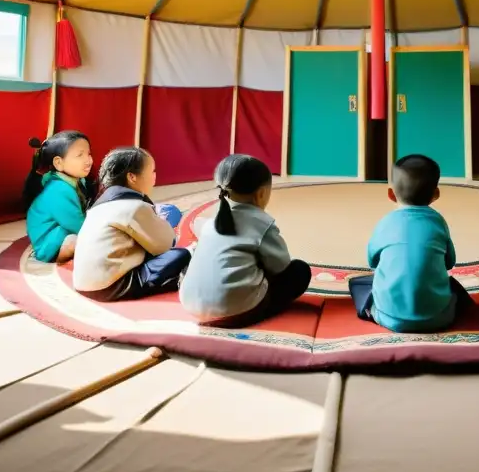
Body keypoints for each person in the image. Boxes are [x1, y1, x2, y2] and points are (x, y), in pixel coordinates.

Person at [179, 155, 311, 327]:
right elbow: (282, 266)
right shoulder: (262, 223)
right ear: (262, 193)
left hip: (191, 306)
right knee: (299, 271)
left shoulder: (210, 222)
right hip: (238, 310)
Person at [347, 154, 473, 333]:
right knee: (452, 287)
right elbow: (449, 262)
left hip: (389, 318)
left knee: (360, 285)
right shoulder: (438, 222)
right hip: (440, 318)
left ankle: (375, 310)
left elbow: (372, 261)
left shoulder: (385, 223)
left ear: (391, 194)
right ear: (436, 194)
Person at [72, 147, 191, 301]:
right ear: (132, 177)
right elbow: (167, 244)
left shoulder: (99, 206)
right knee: (183, 254)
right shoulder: (133, 206)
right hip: (112, 286)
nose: (155, 177)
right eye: (152, 171)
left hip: (83, 284)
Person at [23, 131, 93, 264]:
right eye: (80, 155)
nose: (88, 160)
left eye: (89, 154)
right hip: (51, 242)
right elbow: (77, 224)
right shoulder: (58, 189)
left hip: (64, 230)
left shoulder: (77, 181)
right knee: (78, 241)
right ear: (58, 163)